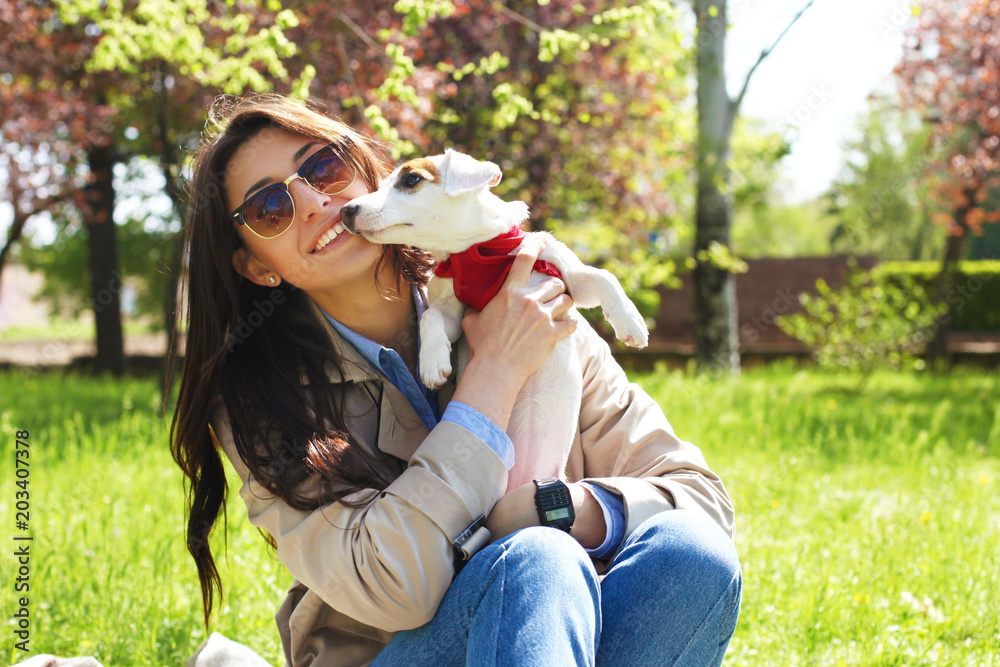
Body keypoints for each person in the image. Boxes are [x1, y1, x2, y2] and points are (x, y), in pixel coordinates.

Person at [169, 93, 741, 667]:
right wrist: (494, 372)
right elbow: (396, 589)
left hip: (559, 630)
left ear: (367, 169)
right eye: (271, 208)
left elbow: (700, 499)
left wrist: (561, 506)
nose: (316, 201)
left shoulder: (529, 302)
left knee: (692, 556)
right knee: (537, 563)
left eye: (323, 166)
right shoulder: (260, 400)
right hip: (397, 654)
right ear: (258, 267)